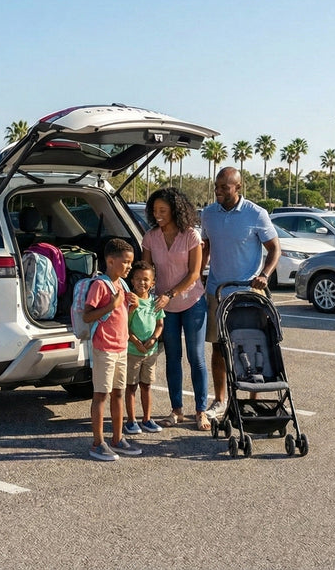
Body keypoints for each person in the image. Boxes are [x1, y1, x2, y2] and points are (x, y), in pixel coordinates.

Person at [200, 166, 280, 420]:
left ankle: (254, 399)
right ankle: (220, 400)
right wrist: (198, 274)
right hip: (217, 291)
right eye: (216, 186)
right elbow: (207, 246)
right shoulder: (208, 214)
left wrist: (264, 275)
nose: (218, 191)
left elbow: (275, 249)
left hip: (249, 293)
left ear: (238, 187)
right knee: (218, 347)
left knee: (255, 344)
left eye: (224, 187)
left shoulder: (256, 214)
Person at [141, 186, 210, 431]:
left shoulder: (191, 235)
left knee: (196, 358)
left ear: (175, 210)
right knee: (173, 358)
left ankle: (201, 411)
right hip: (164, 307)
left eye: (163, 210)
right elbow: (146, 271)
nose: (157, 214)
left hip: (192, 302)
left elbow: (194, 274)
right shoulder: (150, 237)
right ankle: (176, 410)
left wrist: (170, 293)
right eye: (154, 210)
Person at [85, 238, 142, 462]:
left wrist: (133, 306)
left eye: (131, 263)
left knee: (119, 392)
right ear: (110, 260)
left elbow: (123, 318)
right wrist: (112, 305)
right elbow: (87, 315)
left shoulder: (123, 285)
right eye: (126, 262)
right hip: (105, 349)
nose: (129, 267)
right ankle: (98, 443)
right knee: (101, 395)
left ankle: (118, 438)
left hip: (121, 347)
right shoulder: (101, 285)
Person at [122, 260, 165, 435]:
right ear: (132, 281)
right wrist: (135, 341)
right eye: (138, 279)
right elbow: (124, 324)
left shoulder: (155, 302)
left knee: (146, 385)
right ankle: (131, 421)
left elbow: (160, 324)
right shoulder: (131, 301)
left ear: (152, 283)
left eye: (146, 279)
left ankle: (147, 419)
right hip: (133, 351)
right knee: (131, 386)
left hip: (150, 352)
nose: (142, 283)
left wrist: (154, 339)